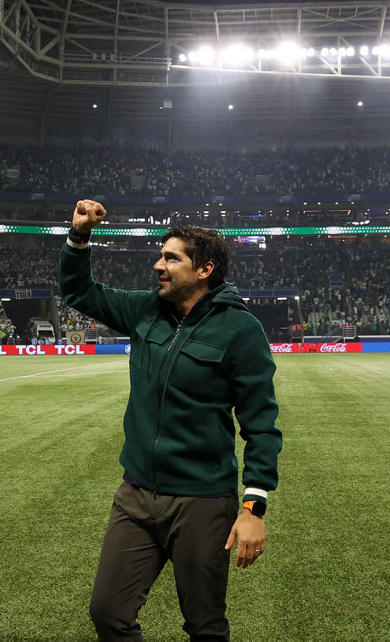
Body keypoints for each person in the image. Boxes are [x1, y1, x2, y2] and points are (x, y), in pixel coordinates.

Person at [58, 199, 282, 641]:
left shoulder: (240, 330)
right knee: (108, 613)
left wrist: (254, 506)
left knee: (205, 626)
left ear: (205, 269)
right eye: (160, 255)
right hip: (136, 495)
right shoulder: (145, 309)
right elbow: (79, 292)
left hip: (202, 502)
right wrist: (80, 235)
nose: (158, 265)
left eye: (171, 258)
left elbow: (261, 423)